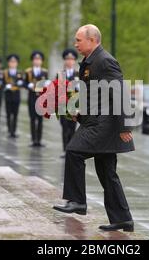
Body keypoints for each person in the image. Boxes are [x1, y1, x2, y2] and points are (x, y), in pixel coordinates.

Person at [53, 24, 135, 232]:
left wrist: (126, 125)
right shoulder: (90, 62)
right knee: (107, 172)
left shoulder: (105, 60)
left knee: (73, 150)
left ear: (92, 40)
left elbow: (120, 93)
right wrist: (77, 112)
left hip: (104, 125)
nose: (75, 44)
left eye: (78, 40)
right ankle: (123, 218)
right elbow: (95, 96)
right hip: (95, 120)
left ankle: (77, 201)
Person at [24, 51, 49, 147]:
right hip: (32, 96)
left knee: (40, 119)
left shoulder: (44, 72)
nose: (37, 61)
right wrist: (28, 85)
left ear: (41, 61)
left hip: (41, 97)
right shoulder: (28, 72)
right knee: (32, 119)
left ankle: (39, 140)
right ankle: (33, 139)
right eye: (35, 59)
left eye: (39, 59)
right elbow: (23, 83)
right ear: (32, 61)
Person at [59, 48, 79, 158]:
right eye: (67, 59)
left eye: (71, 59)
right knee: (64, 127)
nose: (69, 61)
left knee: (72, 127)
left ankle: (71, 149)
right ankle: (65, 149)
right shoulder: (61, 74)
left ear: (74, 61)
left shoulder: (78, 74)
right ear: (65, 61)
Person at [4, 54, 24, 138]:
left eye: (14, 62)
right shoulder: (5, 73)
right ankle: (9, 130)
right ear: (9, 63)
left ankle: (14, 131)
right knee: (8, 114)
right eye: (11, 62)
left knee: (15, 114)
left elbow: (23, 82)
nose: (13, 63)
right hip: (8, 95)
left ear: (17, 63)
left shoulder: (19, 73)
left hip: (16, 95)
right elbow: (1, 82)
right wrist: (5, 86)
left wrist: (21, 83)